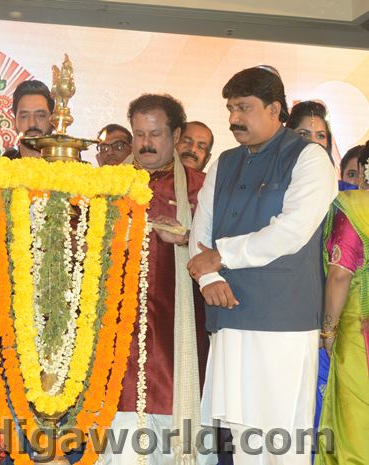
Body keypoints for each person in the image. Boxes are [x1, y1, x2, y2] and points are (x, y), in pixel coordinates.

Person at [188, 66, 337, 465]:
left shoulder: (309, 158)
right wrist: (209, 277)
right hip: (229, 317)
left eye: (244, 108)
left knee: (281, 439)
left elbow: (291, 231)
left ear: (275, 109)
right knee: (240, 441)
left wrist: (222, 256)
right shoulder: (224, 162)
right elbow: (200, 233)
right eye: (230, 108)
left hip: (282, 322)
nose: (234, 118)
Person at [105, 94, 213, 465]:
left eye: (155, 134)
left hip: (179, 348)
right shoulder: (108, 187)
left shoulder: (201, 188)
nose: (145, 143)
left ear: (176, 135)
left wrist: (186, 237)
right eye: (138, 134)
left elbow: (225, 250)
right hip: (119, 353)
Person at [317, 144, 369, 465]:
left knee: (356, 432)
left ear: (364, 169)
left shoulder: (354, 206)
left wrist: (328, 331)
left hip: (358, 336)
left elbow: (339, 275)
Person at [286, 100, 342, 176]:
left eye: (320, 136)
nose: (313, 142)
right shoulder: (275, 176)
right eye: (303, 134)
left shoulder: (332, 179)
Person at [2, 80, 54, 159]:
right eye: (24, 116)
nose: (32, 124)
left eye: (40, 115)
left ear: (54, 121)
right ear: (14, 122)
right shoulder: (2, 165)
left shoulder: (69, 164)